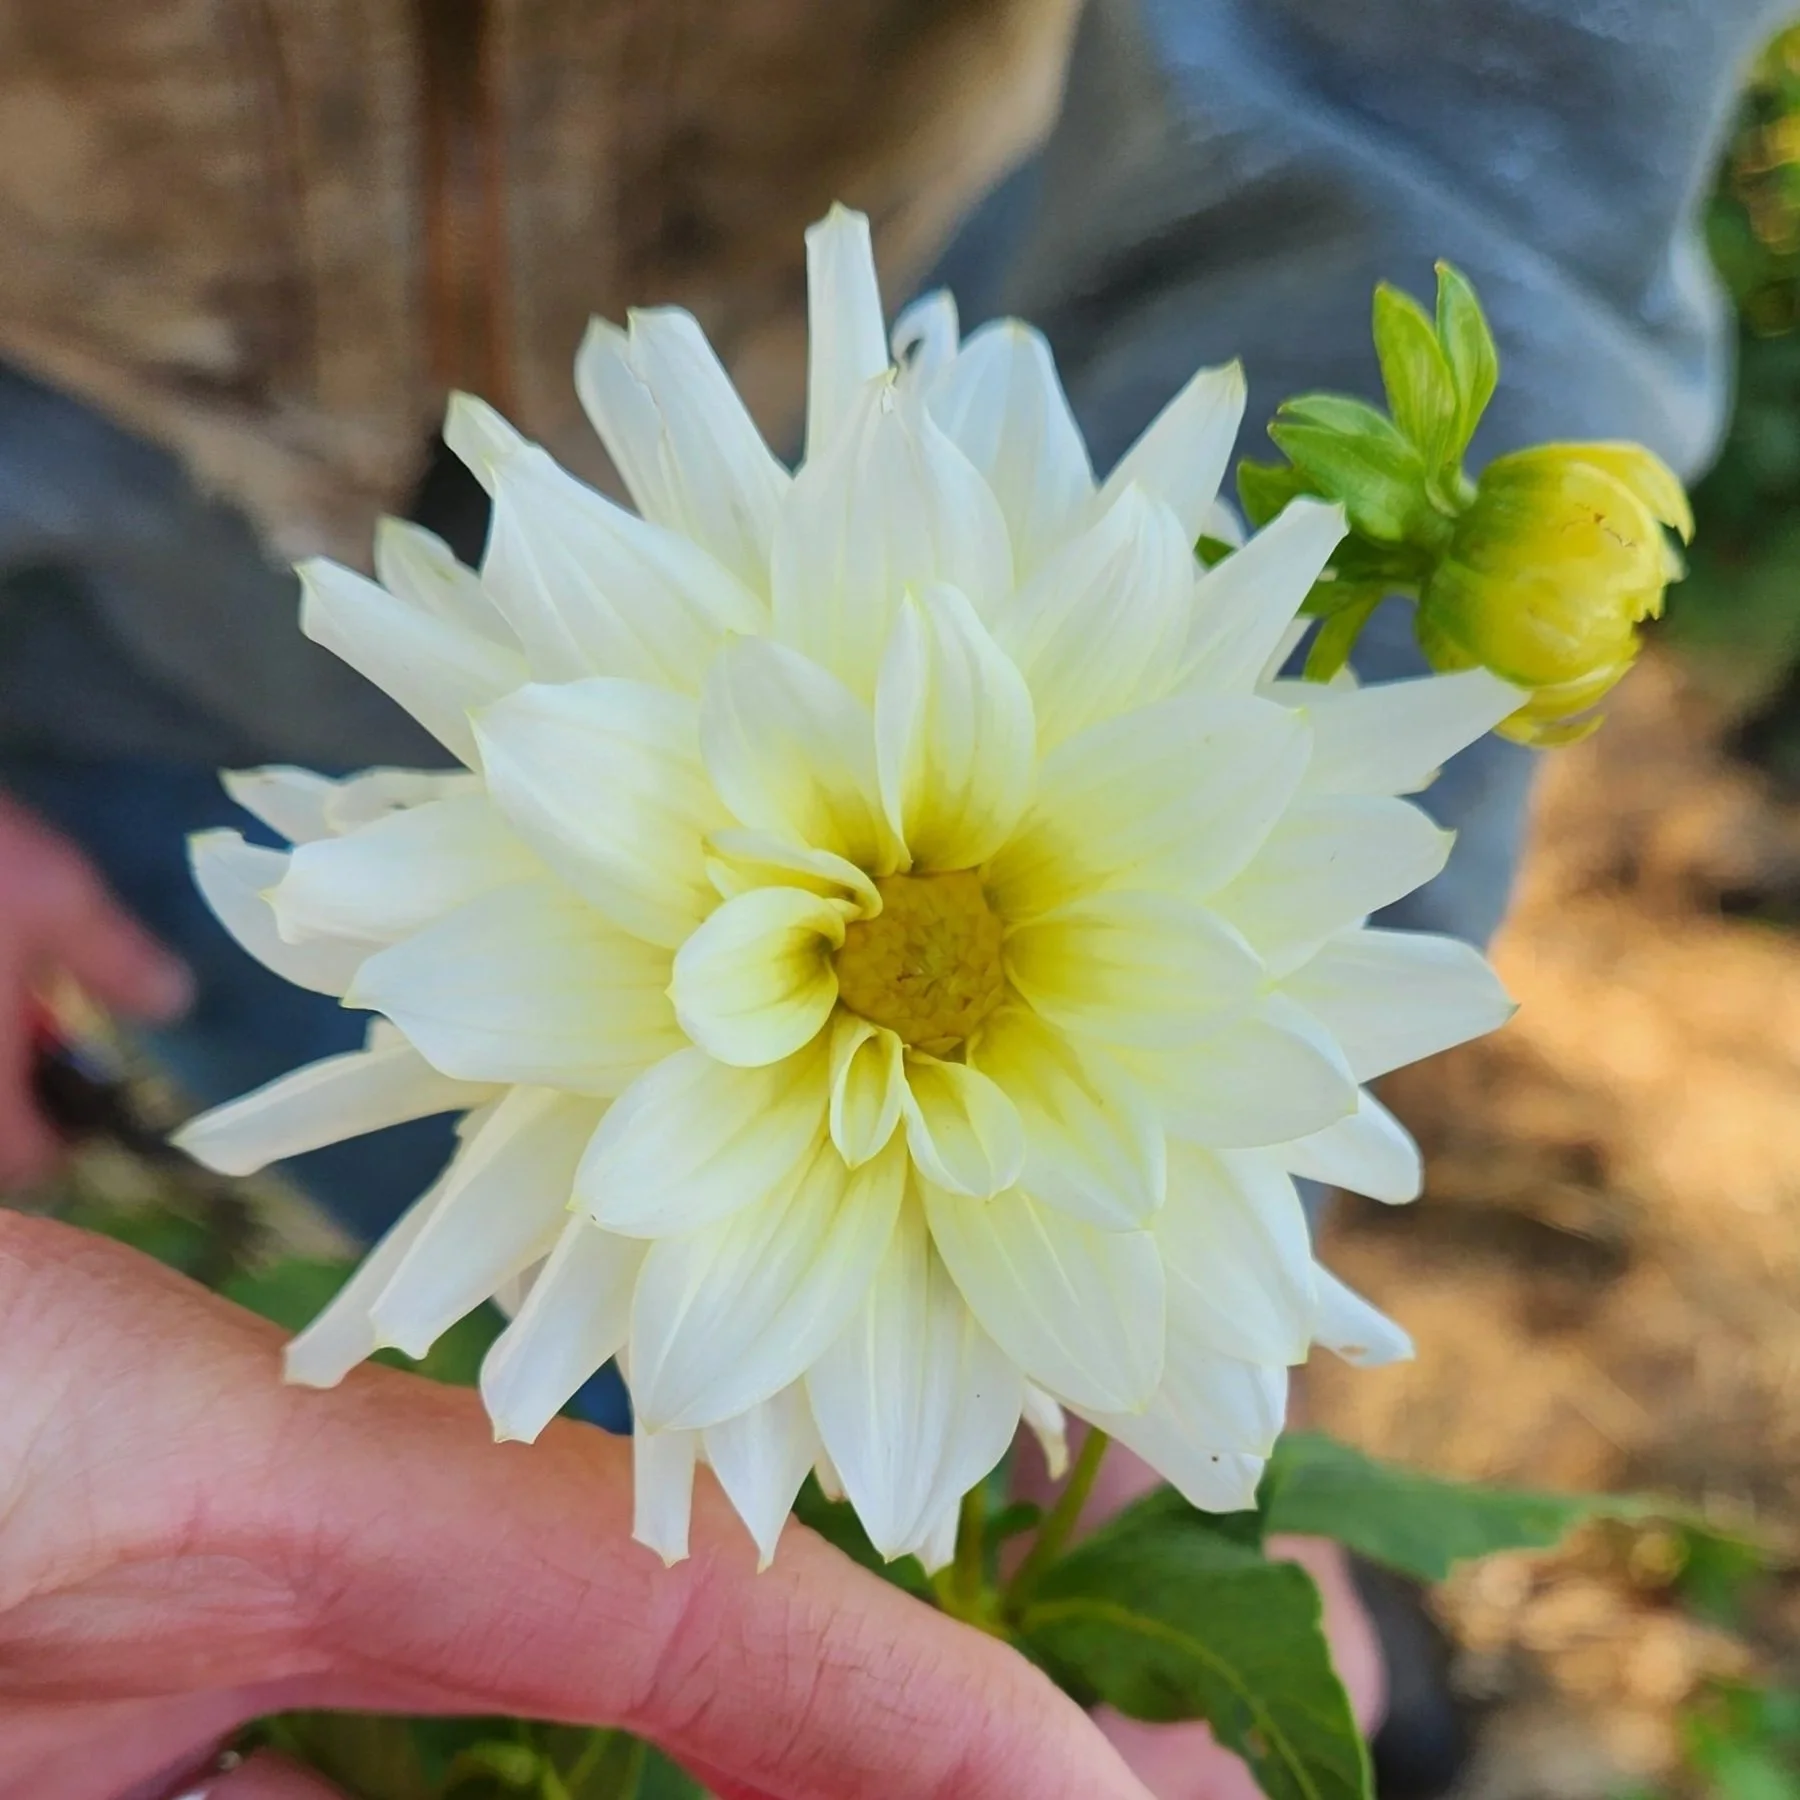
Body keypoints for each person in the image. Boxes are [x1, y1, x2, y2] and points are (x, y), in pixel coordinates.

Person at [0, 0, 1784, 1793]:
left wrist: (1168, 1380)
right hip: (105, 649)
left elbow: (1489, 63)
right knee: (623, 1416)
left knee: (738, 1452)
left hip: (927, 400)